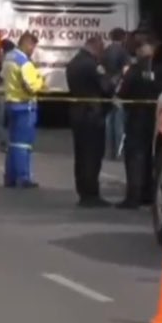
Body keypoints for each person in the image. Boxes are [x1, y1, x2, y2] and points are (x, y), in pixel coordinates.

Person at [116, 37, 162, 209]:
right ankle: (150, 194)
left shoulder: (134, 70)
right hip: (160, 119)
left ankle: (133, 197)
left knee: (135, 157)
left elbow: (122, 92)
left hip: (137, 117)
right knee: (155, 157)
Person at [66, 36, 114, 207]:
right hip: (92, 114)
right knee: (92, 156)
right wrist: (112, 81)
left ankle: (82, 192)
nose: (102, 53)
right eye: (101, 49)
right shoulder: (93, 66)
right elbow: (106, 88)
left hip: (77, 113)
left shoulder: (73, 63)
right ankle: (91, 194)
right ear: (95, 46)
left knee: (80, 155)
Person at [4, 33, 45, 188]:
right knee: (23, 144)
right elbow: (31, 86)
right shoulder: (24, 62)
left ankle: (10, 176)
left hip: (11, 103)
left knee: (13, 143)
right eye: (33, 46)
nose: (33, 50)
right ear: (27, 44)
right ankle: (23, 177)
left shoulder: (9, 57)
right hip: (25, 106)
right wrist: (40, 80)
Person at [103, 28, 132, 158]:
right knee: (119, 121)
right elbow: (126, 72)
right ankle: (119, 153)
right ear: (123, 38)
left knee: (108, 121)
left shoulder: (105, 51)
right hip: (119, 89)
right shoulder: (123, 52)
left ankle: (109, 151)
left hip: (107, 89)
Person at [0, 38, 17, 149]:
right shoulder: (17, 60)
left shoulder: (2, 61)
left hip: (0, 91)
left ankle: (4, 142)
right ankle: (13, 142)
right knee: (12, 120)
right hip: (13, 92)